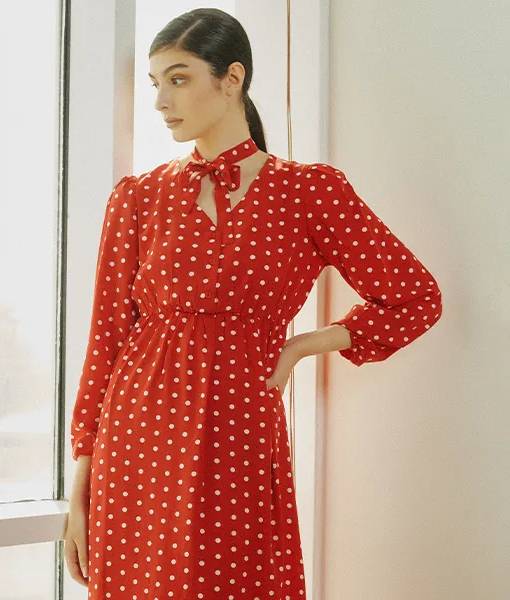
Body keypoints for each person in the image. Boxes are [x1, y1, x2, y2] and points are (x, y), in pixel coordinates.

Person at [62, 7, 443, 599]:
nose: (161, 100)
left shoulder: (311, 192)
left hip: (238, 429)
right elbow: (106, 341)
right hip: (135, 439)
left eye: (179, 78)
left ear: (232, 78)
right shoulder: (138, 198)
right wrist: (80, 488)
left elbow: (414, 298)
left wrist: (299, 346)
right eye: (155, 82)